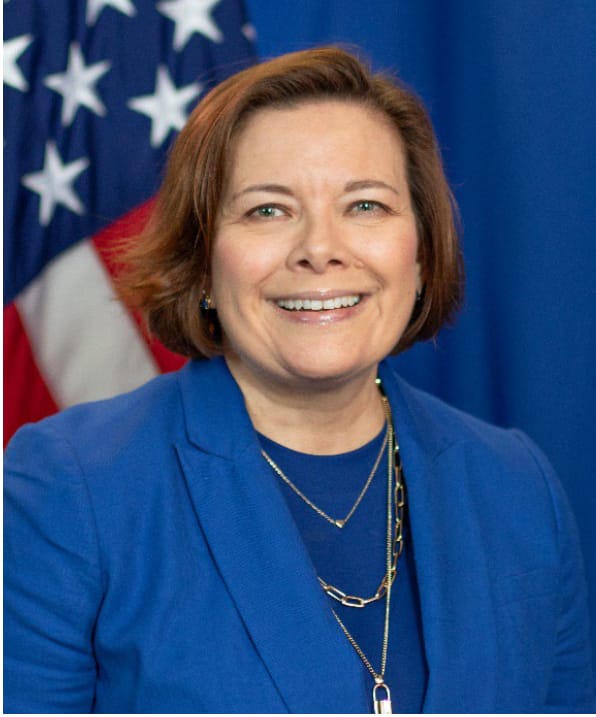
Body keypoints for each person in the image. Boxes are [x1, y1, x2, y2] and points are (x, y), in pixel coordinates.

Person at [4, 47, 594, 714]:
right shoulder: (72, 488)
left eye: (365, 205)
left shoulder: (517, 486)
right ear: (202, 262)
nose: (320, 249)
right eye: (268, 210)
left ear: (422, 255)